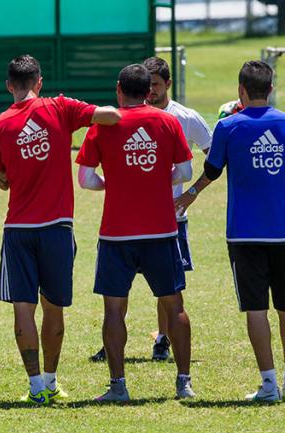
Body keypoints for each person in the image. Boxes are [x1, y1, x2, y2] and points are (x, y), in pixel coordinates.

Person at [0, 54, 121, 405]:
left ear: (9, 86)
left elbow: (0, 180)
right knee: (54, 308)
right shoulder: (60, 107)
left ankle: (34, 388)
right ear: (39, 82)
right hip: (58, 228)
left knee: (22, 308)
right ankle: (50, 380)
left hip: (18, 229)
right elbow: (111, 115)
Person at [76, 64, 195, 402]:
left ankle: (118, 387)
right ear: (149, 91)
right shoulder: (167, 121)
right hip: (161, 231)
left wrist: (111, 182)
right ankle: (184, 382)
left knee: (114, 311)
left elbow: (85, 179)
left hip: (116, 233)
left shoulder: (104, 124)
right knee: (174, 306)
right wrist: (155, 179)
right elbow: (184, 170)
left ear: (118, 89)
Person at [89, 57, 212, 363]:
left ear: (167, 84)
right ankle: (113, 345)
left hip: (169, 219)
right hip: (130, 220)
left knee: (166, 291)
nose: (152, 90)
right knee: (120, 289)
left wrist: (193, 192)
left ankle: (163, 339)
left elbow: (214, 160)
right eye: (148, 84)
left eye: (156, 84)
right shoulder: (117, 119)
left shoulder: (184, 117)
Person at [175, 61, 285, 402]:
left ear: (240, 91)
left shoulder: (228, 126)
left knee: (256, 309)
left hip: (244, 234)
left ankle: (269, 385)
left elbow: (212, 171)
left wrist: (189, 195)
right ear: (270, 90)